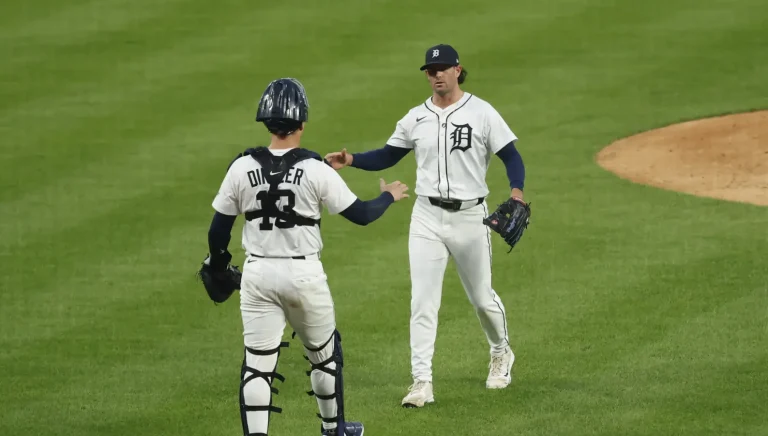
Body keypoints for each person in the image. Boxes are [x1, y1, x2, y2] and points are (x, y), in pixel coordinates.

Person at [324, 44, 528, 408]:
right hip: (426, 217)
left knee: (481, 298)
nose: (436, 75)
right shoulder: (415, 117)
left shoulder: (482, 113)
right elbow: (389, 154)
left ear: (457, 71)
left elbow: (511, 155)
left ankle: (501, 352)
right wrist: (351, 159)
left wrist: (516, 192)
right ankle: (421, 382)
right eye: (430, 69)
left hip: (469, 217)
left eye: (443, 68)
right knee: (422, 301)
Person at [206, 77, 409, 435]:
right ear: (301, 123)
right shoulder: (316, 170)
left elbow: (217, 231)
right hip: (303, 276)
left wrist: (220, 266)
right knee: (325, 355)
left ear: (266, 121)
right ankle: (334, 429)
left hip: (257, 275)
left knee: (257, 365)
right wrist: (389, 195)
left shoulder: (240, 168)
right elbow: (361, 215)